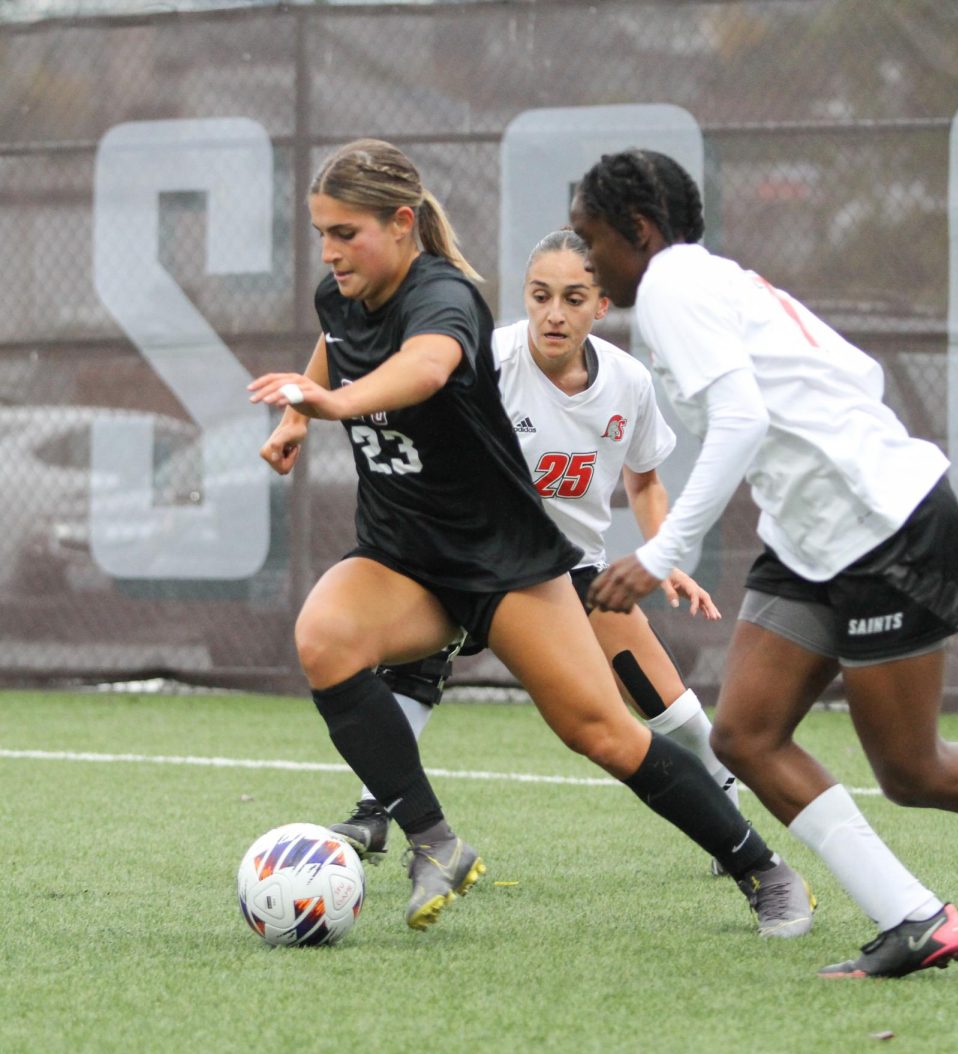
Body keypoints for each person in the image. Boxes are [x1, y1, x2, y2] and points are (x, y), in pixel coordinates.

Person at [569, 148, 958, 978]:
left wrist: (663, 552)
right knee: (746, 736)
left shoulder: (676, 286)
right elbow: (850, 371)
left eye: (591, 239)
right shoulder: (713, 281)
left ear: (640, 232)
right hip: (812, 540)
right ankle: (915, 917)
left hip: (886, 529)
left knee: (911, 768)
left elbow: (743, 417)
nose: (584, 259)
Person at [248, 139, 814, 938]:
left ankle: (765, 871)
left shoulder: (443, 296)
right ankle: (434, 841)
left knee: (606, 734)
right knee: (323, 639)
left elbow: (426, 367)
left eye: (347, 232)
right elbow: (335, 351)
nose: (331, 250)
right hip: (404, 554)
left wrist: (333, 406)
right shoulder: (339, 293)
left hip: (502, 563)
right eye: (322, 233)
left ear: (403, 223)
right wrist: (298, 415)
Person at [332, 228, 742, 880]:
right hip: (471, 555)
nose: (554, 313)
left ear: (602, 304)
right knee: (412, 663)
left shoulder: (629, 383)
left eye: (574, 297)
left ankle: (725, 795)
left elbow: (643, 481)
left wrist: (666, 556)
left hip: (568, 563)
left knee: (656, 696)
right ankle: (375, 809)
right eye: (540, 295)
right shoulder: (484, 361)